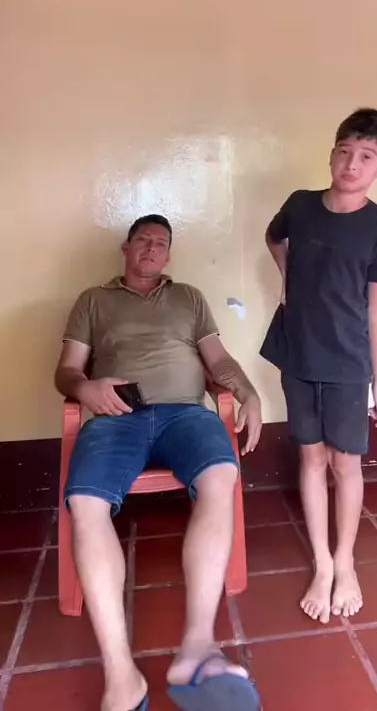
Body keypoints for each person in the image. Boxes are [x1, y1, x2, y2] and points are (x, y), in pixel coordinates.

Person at [54, 214, 262, 711]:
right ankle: (121, 676)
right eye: (143, 240)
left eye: (161, 243)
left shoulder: (189, 298)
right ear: (126, 249)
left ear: (169, 255)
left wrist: (248, 392)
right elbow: (66, 371)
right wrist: (86, 388)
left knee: (221, 474)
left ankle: (198, 649)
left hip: (186, 415)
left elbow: (218, 361)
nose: (151, 247)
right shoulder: (94, 300)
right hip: (116, 418)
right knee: (85, 503)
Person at [260, 108, 377, 625]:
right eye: (344, 151)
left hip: (348, 360)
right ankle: (322, 564)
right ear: (331, 153)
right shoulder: (300, 205)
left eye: (365, 156)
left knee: (345, 464)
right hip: (298, 350)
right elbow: (274, 238)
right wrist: (288, 277)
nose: (351, 163)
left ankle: (345, 561)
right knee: (311, 458)